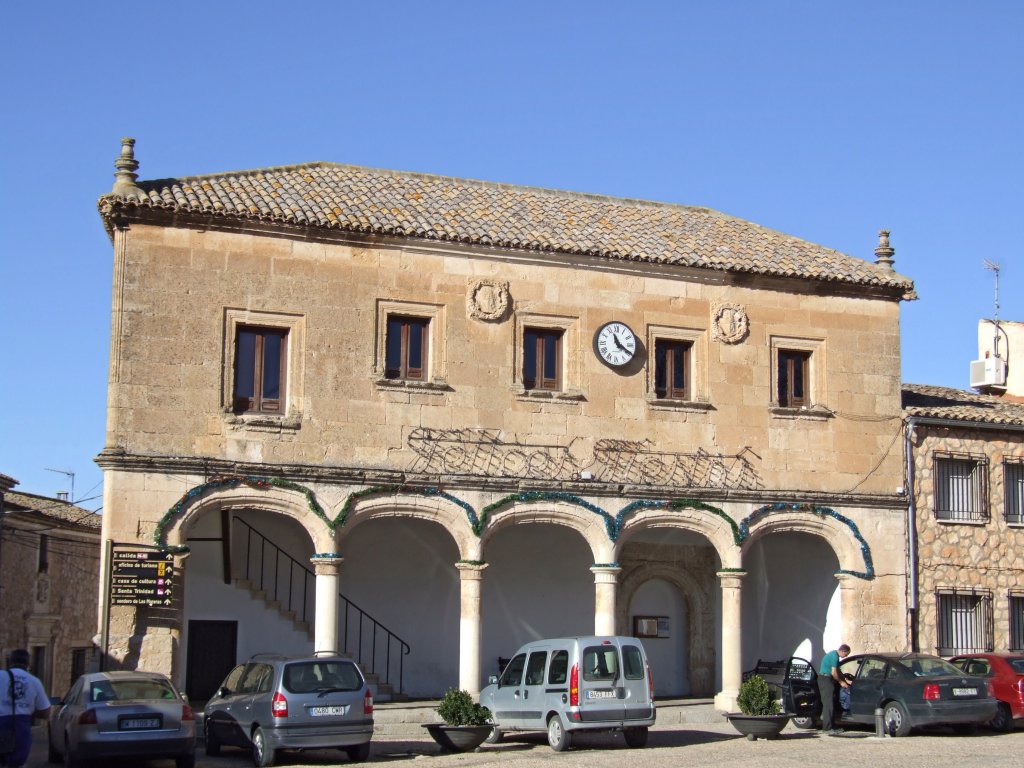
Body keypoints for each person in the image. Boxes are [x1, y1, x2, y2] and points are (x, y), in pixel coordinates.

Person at [0, 649, 51, 768]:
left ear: (10, 662)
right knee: (17, 763)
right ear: (28, 664)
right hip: (21, 728)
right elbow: (45, 712)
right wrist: (27, 709)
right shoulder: (34, 681)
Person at [818, 643, 851, 735]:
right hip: (825, 679)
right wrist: (841, 682)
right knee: (828, 704)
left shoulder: (834, 655)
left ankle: (832, 725)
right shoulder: (834, 657)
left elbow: (838, 671)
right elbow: (834, 672)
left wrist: (845, 680)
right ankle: (827, 728)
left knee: (831, 703)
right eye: (846, 654)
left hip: (826, 679)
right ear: (842, 651)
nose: (845, 657)